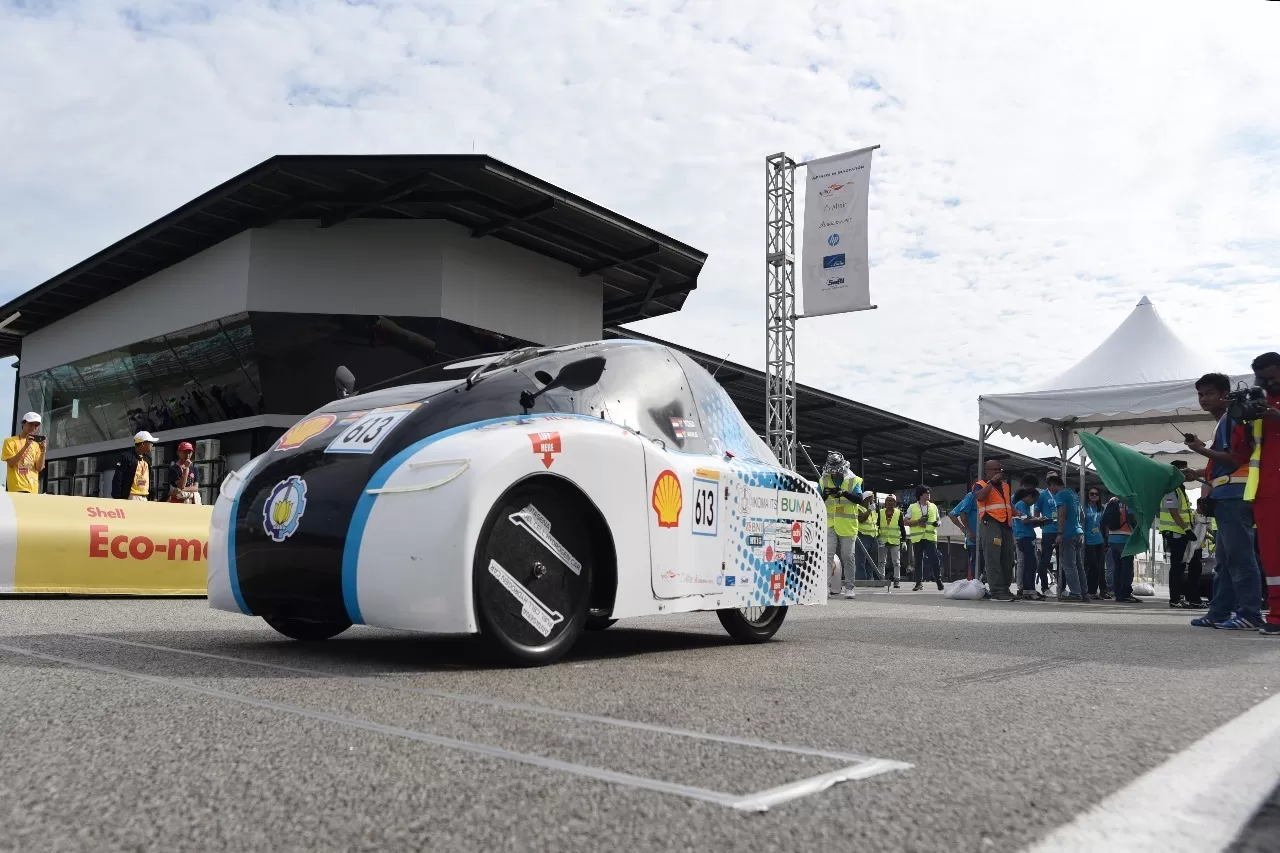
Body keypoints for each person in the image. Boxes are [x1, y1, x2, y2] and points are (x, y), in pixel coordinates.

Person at [1185, 372, 1264, 631]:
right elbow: (1225, 463)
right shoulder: (1225, 421)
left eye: (1208, 393)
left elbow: (1235, 458)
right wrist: (1199, 473)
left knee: (1239, 557)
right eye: (1200, 394)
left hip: (1234, 495)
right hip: (1228, 494)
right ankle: (1219, 611)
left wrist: (1200, 450)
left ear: (1224, 395)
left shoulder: (1232, 419)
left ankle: (1250, 613)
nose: (1203, 399)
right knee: (1226, 560)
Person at [1246, 352, 1280, 636]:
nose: (1270, 382)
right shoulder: (1259, 403)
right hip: (1267, 489)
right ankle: (1277, 615)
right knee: (1271, 556)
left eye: (1274, 376)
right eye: (1264, 379)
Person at [820, 452, 863, 597]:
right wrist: (824, 495)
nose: (835, 475)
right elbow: (816, 499)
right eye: (832, 473)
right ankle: (824, 586)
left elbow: (859, 498)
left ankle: (850, 587)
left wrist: (844, 493)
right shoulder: (824, 479)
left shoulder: (853, 480)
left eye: (837, 473)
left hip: (848, 525)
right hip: (829, 523)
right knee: (827, 555)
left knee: (847, 556)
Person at [973, 459, 1016, 601]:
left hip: (1006, 525)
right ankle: (996, 591)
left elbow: (1007, 504)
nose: (999, 472)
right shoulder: (980, 485)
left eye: (1000, 470)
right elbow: (980, 497)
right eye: (995, 470)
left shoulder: (1005, 486)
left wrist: (1019, 514)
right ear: (987, 472)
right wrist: (991, 482)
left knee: (1007, 557)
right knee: (993, 558)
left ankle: (1005, 588)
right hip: (990, 523)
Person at [1159, 460, 1198, 609]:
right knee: (1177, 566)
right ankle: (1175, 599)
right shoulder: (1171, 489)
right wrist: (1187, 530)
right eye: (1184, 471)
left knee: (1183, 566)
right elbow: (1173, 512)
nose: (1187, 474)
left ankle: (1182, 597)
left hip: (1181, 533)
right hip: (1175, 533)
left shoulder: (1180, 489)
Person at [1045, 474, 1089, 601]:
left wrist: (1059, 533)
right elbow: (1082, 515)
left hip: (1067, 534)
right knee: (1079, 565)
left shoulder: (1060, 495)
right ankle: (1083, 593)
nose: (1051, 491)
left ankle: (1075, 593)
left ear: (1053, 485)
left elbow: (1062, 513)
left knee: (1069, 565)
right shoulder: (1073, 494)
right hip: (1078, 532)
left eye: (1050, 488)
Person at [1102, 497, 1140, 602]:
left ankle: (1118, 594)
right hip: (1125, 539)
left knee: (1117, 568)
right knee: (1127, 568)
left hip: (1112, 539)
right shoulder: (1128, 501)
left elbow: (1103, 521)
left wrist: (1106, 539)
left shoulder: (1111, 501)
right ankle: (1126, 594)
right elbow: (1132, 519)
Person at [906, 485, 944, 591]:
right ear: (921, 495)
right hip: (917, 538)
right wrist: (918, 521)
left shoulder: (933, 506)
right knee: (918, 560)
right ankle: (919, 582)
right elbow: (906, 521)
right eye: (927, 493)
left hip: (930, 536)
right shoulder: (912, 507)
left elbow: (939, 520)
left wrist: (938, 523)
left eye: (929, 493)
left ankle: (938, 580)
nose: (929, 495)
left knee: (934, 559)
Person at [3, 412, 46, 494]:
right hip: (17, 488)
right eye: (31, 424)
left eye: (36, 425)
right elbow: (11, 463)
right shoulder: (9, 442)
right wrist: (26, 446)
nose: (33, 427)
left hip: (33, 489)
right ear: (23, 423)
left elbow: (39, 468)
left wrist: (43, 451)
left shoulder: (36, 445)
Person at [1013, 487, 1042, 600]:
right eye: (1034, 501)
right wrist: (1037, 520)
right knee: (1030, 564)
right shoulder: (1021, 505)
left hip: (1027, 536)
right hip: (1024, 537)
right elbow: (1025, 521)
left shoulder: (1023, 506)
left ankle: (1027, 590)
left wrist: (1037, 521)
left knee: (1029, 564)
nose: (1033, 504)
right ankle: (1029, 590)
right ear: (1029, 496)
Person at [112, 431, 157, 501]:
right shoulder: (126, 456)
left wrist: (153, 496)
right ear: (143, 443)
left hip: (145, 497)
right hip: (132, 497)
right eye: (150, 442)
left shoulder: (148, 459)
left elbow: (151, 479)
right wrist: (117, 497)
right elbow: (118, 477)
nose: (152, 444)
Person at [1083, 488, 1111, 599]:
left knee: (1100, 567)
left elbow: (1105, 525)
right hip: (1088, 541)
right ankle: (1091, 591)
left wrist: (1107, 539)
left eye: (1096, 494)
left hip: (1099, 541)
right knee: (1093, 566)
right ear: (1088, 495)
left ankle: (1101, 591)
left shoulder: (1101, 509)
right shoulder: (1084, 508)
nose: (1094, 495)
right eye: (1092, 493)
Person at [948, 491, 980, 579]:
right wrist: (964, 528)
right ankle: (976, 585)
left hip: (982, 538)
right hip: (972, 540)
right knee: (976, 563)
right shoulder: (970, 498)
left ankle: (979, 584)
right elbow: (952, 515)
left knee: (980, 563)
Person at [855, 492, 881, 581]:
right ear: (866, 499)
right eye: (871, 498)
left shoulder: (873, 511)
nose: (873, 501)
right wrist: (869, 510)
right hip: (863, 537)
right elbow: (861, 519)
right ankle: (861, 580)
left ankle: (870, 579)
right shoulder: (858, 508)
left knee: (872, 561)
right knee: (861, 560)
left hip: (873, 538)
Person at [879, 494, 903, 588]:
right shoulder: (880, 512)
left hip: (895, 541)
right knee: (881, 562)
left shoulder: (899, 513)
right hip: (883, 540)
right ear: (885, 502)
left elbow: (902, 527)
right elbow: (877, 525)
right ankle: (882, 579)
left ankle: (897, 580)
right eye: (888, 501)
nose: (889, 502)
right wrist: (878, 536)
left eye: (891, 501)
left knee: (896, 562)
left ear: (895, 503)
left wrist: (904, 540)